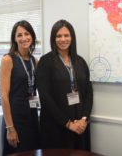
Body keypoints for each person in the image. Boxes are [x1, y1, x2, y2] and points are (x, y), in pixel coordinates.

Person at [37, 19, 93, 150]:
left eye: (66, 35)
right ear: (53, 39)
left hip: (80, 125)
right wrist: (68, 124)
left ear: (72, 37)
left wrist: (84, 119)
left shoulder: (80, 61)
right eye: (58, 36)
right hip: (56, 126)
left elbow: (88, 93)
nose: (63, 39)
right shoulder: (45, 62)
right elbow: (45, 98)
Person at [0, 20, 40, 155]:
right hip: (15, 120)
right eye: (19, 35)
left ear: (32, 36)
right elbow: (4, 96)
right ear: (14, 39)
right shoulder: (8, 59)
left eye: (27, 34)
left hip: (32, 119)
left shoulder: (35, 61)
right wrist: (10, 128)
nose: (24, 38)